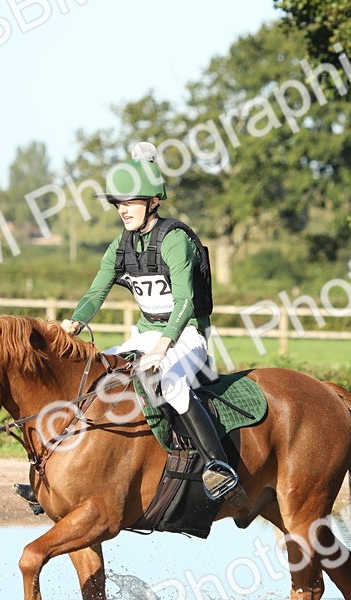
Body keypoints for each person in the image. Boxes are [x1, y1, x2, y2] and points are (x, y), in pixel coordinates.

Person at [58, 142, 246, 505]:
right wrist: (75, 323)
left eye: (130, 202)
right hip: (145, 335)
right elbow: (96, 292)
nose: (122, 210)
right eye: (118, 204)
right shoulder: (121, 245)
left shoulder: (175, 240)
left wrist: (163, 346)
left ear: (153, 202)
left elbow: (185, 301)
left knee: (170, 382)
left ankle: (218, 465)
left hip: (187, 334)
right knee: (93, 375)